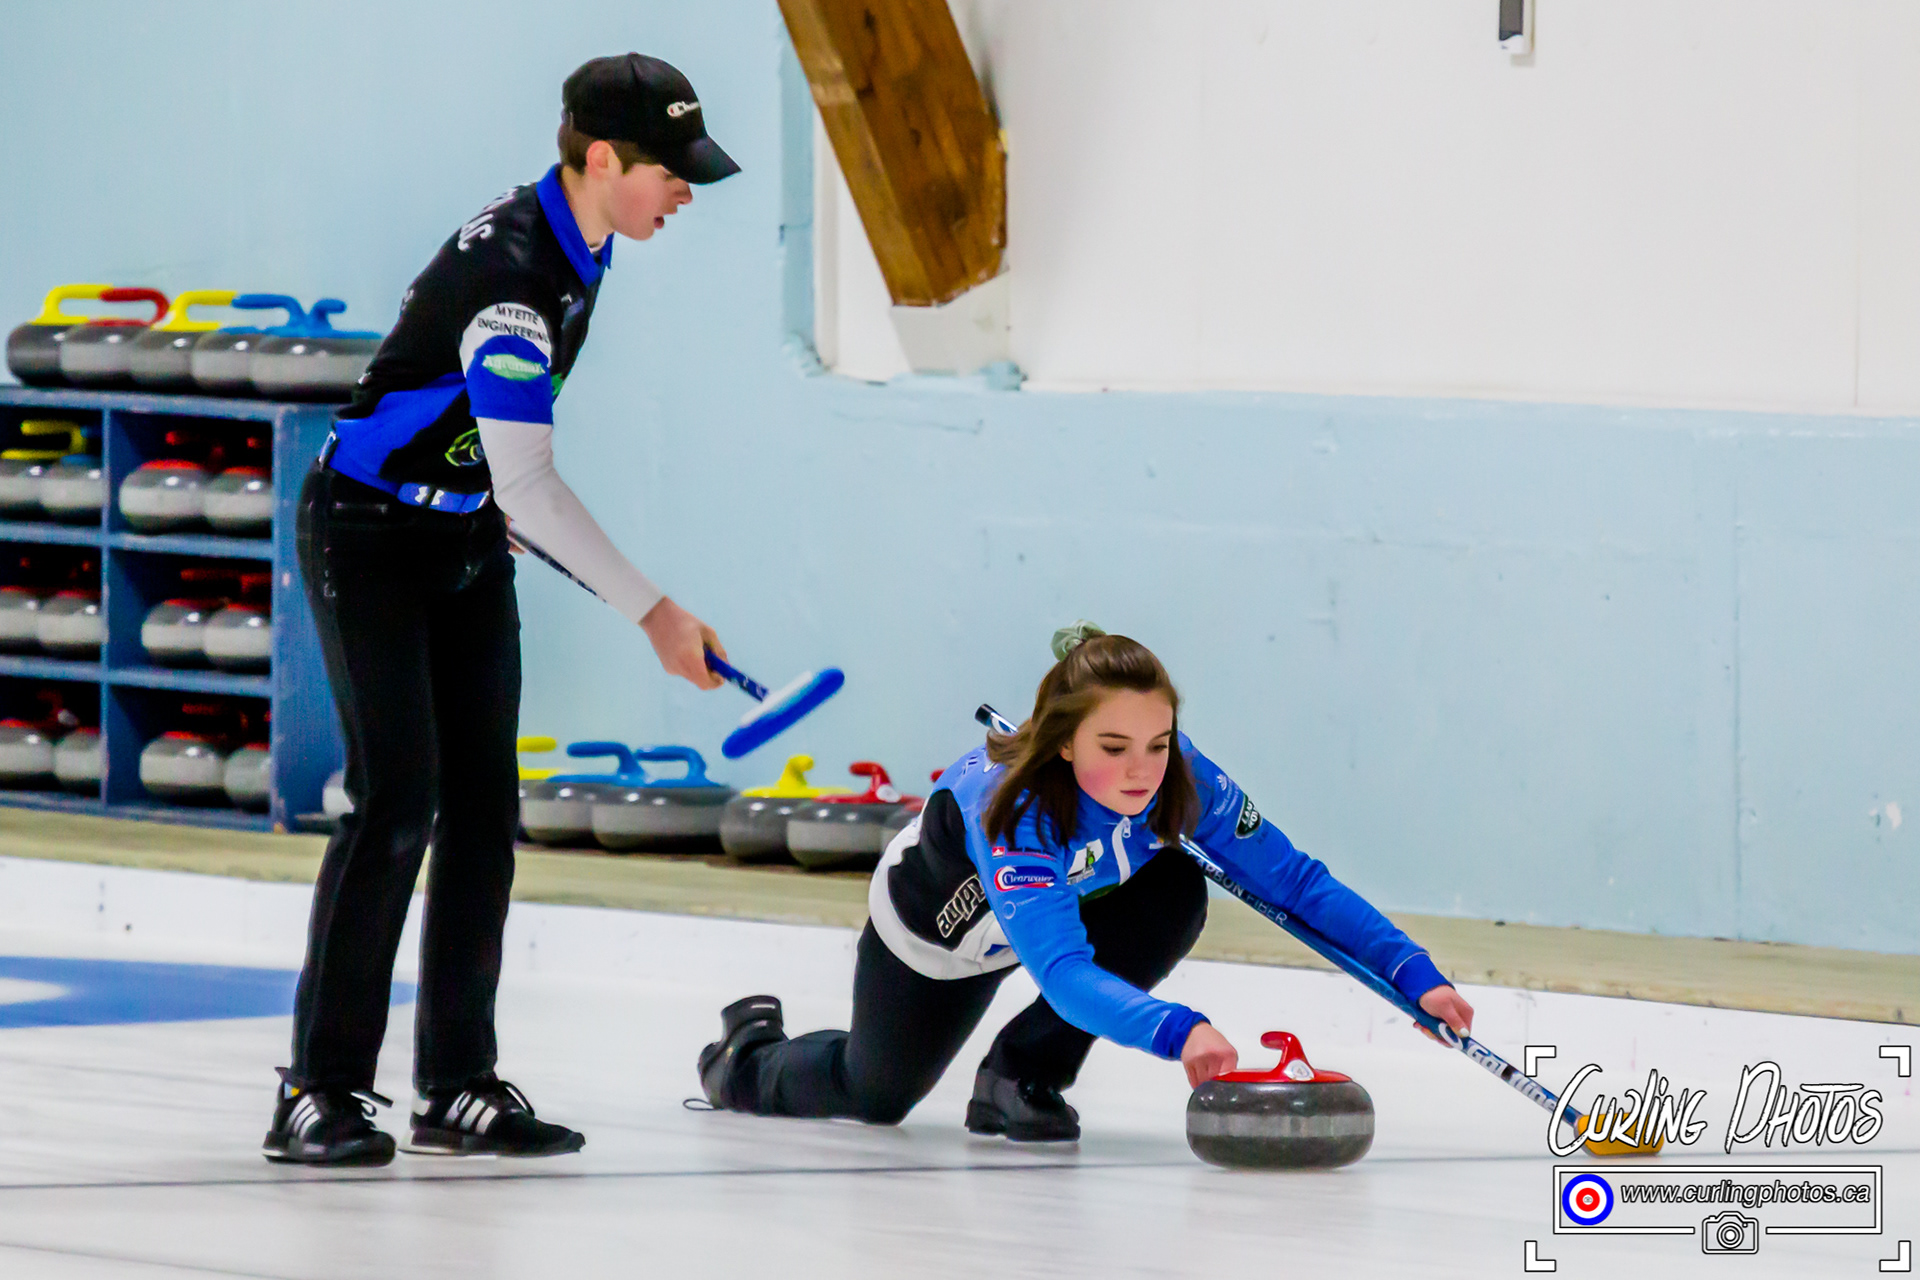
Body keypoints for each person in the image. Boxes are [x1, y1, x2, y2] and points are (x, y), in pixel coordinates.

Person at [265, 54, 740, 1166]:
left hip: (466, 532)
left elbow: (501, 473)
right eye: (671, 172)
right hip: (370, 535)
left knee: (485, 809)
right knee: (396, 804)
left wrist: (486, 502)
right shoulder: (517, 279)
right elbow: (532, 478)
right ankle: (318, 1087)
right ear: (605, 158)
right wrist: (656, 613)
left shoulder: (588, 235)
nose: (685, 193)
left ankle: (457, 1084)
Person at [697, 625, 1475, 1140]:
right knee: (875, 1097)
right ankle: (746, 1057)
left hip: (1051, 914)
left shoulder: (1183, 778)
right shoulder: (1014, 811)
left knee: (1174, 890)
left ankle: (1019, 1078)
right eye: (1115, 746)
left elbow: (1297, 884)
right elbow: (1064, 972)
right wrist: (1179, 1029)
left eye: (1158, 743)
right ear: (1065, 743)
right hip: (938, 937)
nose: (1143, 770)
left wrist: (1416, 975)